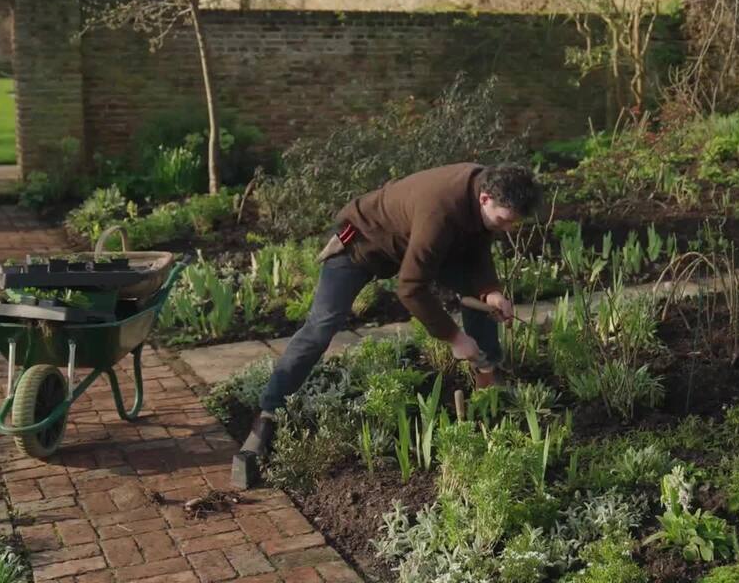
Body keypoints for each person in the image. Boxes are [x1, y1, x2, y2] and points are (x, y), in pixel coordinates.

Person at [230, 162, 542, 489]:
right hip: (361, 245)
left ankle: (488, 385)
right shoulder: (442, 209)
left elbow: (475, 249)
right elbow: (410, 287)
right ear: (485, 198)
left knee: (481, 302)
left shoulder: (481, 195)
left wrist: (489, 292)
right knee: (322, 326)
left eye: (514, 223)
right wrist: (453, 337)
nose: (508, 229)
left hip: (409, 244)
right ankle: (268, 413)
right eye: (505, 220)